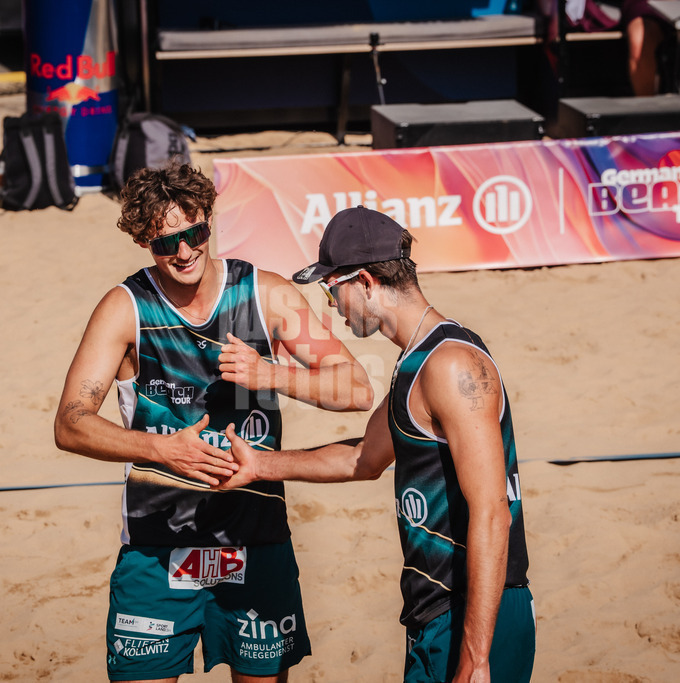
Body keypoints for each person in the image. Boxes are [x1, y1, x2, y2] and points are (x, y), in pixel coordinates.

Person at [53, 162, 374, 682]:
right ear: (143, 242)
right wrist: (162, 450)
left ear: (209, 219)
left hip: (254, 534)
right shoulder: (124, 308)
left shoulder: (263, 293)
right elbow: (70, 423)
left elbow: (356, 388)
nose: (183, 252)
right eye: (165, 243)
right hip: (157, 546)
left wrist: (269, 373)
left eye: (194, 233)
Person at [217, 206, 535, 683]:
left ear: (364, 281)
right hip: (436, 612)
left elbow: (492, 512)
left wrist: (476, 656)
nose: (331, 306)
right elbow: (363, 458)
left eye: (331, 289)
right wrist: (261, 465)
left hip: (474, 610)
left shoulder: (451, 365)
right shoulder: (417, 364)